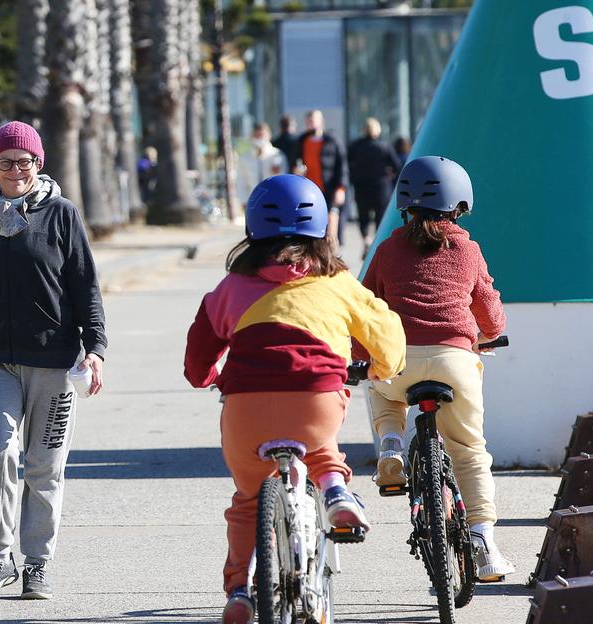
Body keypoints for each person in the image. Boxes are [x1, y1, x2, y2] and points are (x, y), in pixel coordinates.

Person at [184, 174, 405, 624]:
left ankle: (240, 593)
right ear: (322, 228)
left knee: (249, 499)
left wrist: (207, 375)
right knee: (322, 447)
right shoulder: (338, 282)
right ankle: (336, 491)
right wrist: (385, 367)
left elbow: (197, 362)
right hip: (315, 400)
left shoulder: (229, 288)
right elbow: (385, 334)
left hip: (246, 410)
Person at [0, 120, 107, 602]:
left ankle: (37, 562)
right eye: (5, 162)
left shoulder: (62, 215)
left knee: (43, 465)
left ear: (39, 163)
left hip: (53, 360)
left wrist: (95, 350)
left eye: (24, 161)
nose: (15, 170)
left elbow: (85, 288)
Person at [357, 155, 512, 582]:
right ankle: (483, 541)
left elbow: (367, 304)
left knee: (381, 388)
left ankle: (390, 444)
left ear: (404, 203)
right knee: (468, 450)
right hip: (454, 360)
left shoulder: (388, 249)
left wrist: (360, 353)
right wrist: (489, 333)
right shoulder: (466, 249)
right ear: (460, 205)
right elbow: (489, 309)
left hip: (399, 359)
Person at [348, 117, 403, 257]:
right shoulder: (384, 146)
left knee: (363, 217)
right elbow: (397, 165)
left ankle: (366, 239)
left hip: (362, 187)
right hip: (381, 187)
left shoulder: (356, 146)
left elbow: (348, 164)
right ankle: (377, 245)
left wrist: (354, 178)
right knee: (380, 217)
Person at [297, 109, 348, 246]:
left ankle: (333, 256)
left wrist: (341, 188)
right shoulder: (301, 141)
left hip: (329, 189)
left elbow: (342, 166)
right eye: (309, 121)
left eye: (313, 120)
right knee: (310, 230)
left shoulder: (332, 141)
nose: (311, 124)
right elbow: (294, 162)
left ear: (321, 122)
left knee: (331, 229)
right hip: (308, 192)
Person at [236, 123, 286, 200]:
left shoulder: (277, 154)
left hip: (274, 200)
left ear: (269, 135)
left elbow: (284, 179)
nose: (259, 138)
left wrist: (278, 172)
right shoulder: (245, 158)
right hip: (253, 200)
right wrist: (244, 201)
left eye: (262, 135)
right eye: (256, 135)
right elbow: (241, 181)